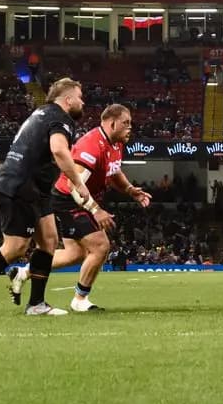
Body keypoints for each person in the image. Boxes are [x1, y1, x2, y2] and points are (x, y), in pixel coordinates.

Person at [0, 78, 92, 317]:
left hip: (33, 187)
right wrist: (78, 183)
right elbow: (58, 149)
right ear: (68, 100)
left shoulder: (42, 113)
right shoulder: (60, 118)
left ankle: (36, 304)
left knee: (48, 240)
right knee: (15, 248)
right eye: (80, 96)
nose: (83, 101)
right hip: (21, 185)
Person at [31, 103, 152, 313]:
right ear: (112, 123)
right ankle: (80, 299)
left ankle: (24, 272)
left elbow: (114, 172)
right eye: (126, 123)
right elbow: (74, 186)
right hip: (68, 198)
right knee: (100, 246)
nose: (130, 127)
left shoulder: (115, 143)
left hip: (82, 198)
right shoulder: (91, 145)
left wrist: (130, 190)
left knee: (74, 254)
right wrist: (96, 210)